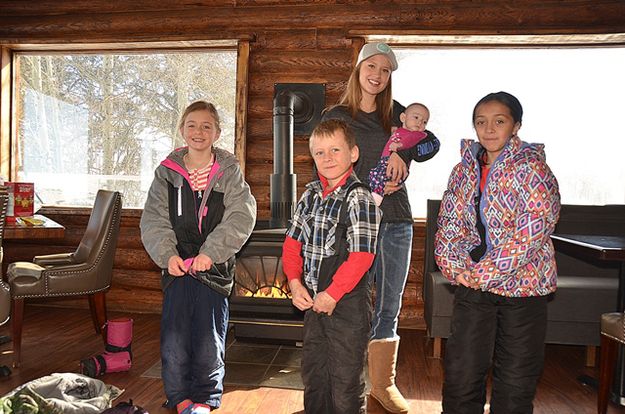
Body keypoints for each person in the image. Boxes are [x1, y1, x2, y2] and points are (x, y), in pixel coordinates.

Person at [321, 42, 440, 413]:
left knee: (389, 304)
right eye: (371, 66)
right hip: (353, 223)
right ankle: (348, 383)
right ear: (358, 70)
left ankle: (383, 385)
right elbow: (322, 166)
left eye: (385, 70)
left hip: (396, 221)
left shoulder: (400, 114)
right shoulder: (337, 115)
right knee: (353, 303)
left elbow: (429, 144)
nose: (377, 74)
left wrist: (402, 153)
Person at [434, 91, 560, 414]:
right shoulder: (462, 172)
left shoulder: (534, 170)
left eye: (499, 121)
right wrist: (455, 268)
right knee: (461, 377)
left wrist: (483, 273)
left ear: (516, 125)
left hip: (524, 288)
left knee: (516, 381)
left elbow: (531, 231)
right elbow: (449, 224)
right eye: (481, 122)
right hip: (472, 288)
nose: (489, 129)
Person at [140, 101, 256, 414]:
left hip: (214, 269)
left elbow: (241, 216)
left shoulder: (229, 172)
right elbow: (153, 219)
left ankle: (206, 398)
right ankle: (179, 397)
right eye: (192, 124)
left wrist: (211, 253)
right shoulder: (167, 173)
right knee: (175, 337)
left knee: (209, 337)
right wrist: (167, 256)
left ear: (217, 132)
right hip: (177, 267)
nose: (199, 131)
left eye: (207, 126)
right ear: (182, 129)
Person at [281, 119, 381, 413]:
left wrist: (333, 293)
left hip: (346, 303)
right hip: (314, 300)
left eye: (335, 150)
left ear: (353, 153)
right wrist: (295, 282)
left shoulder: (359, 196)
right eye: (320, 152)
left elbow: (362, 256)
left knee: (344, 379)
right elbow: (291, 245)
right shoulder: (310, 194)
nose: (328, 158)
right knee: (315, 372)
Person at [368, 102, 430, 206]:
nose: (419, 122)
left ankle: (375, 201)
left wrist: (400, 146)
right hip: (385, 162)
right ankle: (375, 196)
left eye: (424, 122)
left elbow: (410, 141)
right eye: (416, 117)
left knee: (379, 177)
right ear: (403, 117)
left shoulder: (418, 134)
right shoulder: (400, 129)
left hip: (394, 167)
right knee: (374, 175)